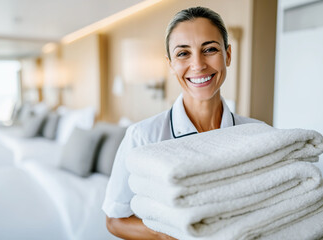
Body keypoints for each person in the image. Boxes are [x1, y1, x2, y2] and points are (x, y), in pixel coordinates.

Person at [102, 6, 261, 240]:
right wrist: (169, 235)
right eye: (183, 53)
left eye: (209, 49)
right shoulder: (142, 137)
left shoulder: (257, 134)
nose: (198, 65)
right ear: (170, 63)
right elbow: (115, 220)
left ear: (228, 55)